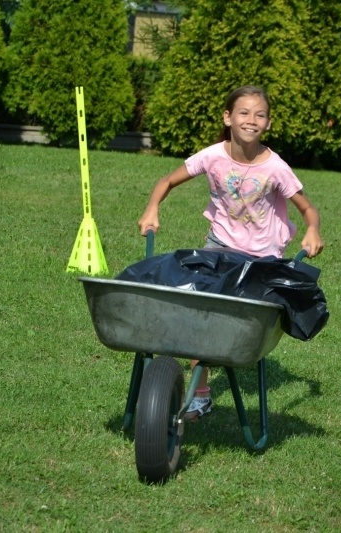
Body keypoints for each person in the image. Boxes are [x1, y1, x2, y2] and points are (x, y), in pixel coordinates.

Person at [137, 85, 324, 420]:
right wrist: (152, 209)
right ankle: (201, 396)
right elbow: (166, 181)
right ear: (228, 117)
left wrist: (312, 230)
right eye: (244, 112)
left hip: (262, 258)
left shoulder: (275, 168)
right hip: (219, 247)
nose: (251, 120)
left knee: (238, 322)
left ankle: (224, 355)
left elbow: (308, 209)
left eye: (260, 115)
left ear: (268, 123)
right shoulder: (212, 156)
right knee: (197, 309)